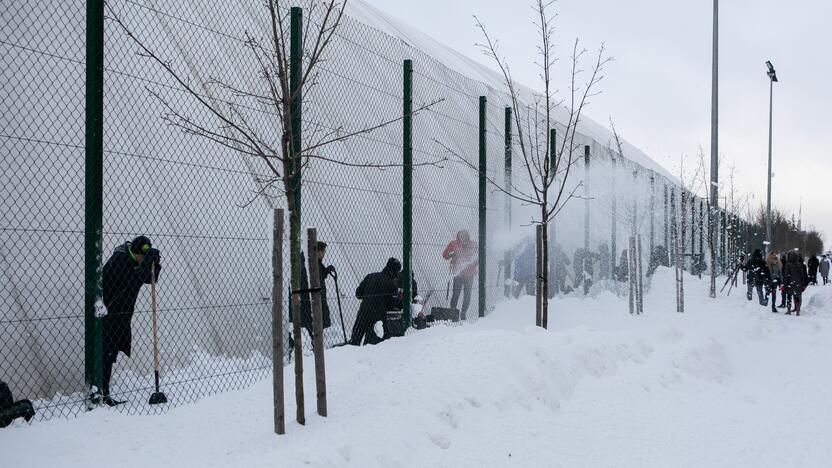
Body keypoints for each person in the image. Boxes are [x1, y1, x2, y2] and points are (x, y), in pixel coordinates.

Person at [98, 236, 161, 406]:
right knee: (106, 353)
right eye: (142, 256)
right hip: (109, 313)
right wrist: (144, 265)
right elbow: (131, 281)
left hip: (123, 315)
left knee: (111, 353)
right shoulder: (119, 260)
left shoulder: (135, 261)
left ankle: (104, 393)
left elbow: (151, 279)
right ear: (135, 253)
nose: (142, 259)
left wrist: (155, 264)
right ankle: (101, 394)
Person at [349, 258, 401, 346]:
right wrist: (398, 300)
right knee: (372, 344)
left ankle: (352, 355)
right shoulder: (392, 284)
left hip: (363, 312)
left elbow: (358, 294)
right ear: (395, 271)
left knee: (355, 340)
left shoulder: (370, 276)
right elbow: (391, 304)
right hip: (378, 317)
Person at [298, 242, 334, 341]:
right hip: (313, 299)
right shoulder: (310, 263)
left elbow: (320, 275)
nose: (324, 254)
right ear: (318, 251)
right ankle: (316, 343)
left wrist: (327, 270)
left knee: (318, 320)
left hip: (315, 298)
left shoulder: (313, 261)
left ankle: (317, 341)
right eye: (323, 252)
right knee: (318, 321)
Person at [442, 230, 478, 319]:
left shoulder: (473, 244)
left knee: (467, 294)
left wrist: (474, 263)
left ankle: (463, 313)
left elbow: (479, 255)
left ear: (467, 237)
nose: (462, 238)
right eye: (461, 236)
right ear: (458, 236)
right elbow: (445, 255)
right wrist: (452, 253)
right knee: (456, 294)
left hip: (469, 274)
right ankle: (453, 313)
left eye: (464, 236)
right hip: (457, 274)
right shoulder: (453, 244)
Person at [783, 250, 809, 315]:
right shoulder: (799, 264)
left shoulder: (787, 264)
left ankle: (789, 310)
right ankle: (798, 311)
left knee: (789, 297)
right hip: (798, 282)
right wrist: (802, 283)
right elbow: (802, 275)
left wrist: (785, 284)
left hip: (789, 282)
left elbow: (786, 275)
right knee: (797, 296)